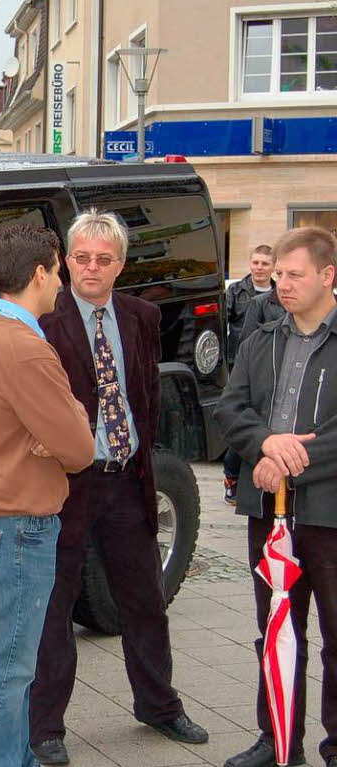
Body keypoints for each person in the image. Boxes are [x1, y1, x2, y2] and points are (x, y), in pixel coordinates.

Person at [29, 210, 209, 765]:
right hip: (67, 485)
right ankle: (46, 728)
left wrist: (142, 457)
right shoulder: (45, 320)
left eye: (103, 260)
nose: (91, 268)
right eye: (81, 257)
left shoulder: (141, 316)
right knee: (55, 609)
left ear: (120, 265)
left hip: (127, 481)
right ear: (66, 260)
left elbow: (145, 396)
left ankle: (159, 705)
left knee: (145, 600)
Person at [0, 224, 94, 767]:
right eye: (59, 270)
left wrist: (56, 432)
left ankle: (14, 758)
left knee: (9, 661)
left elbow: (60, 435)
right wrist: (66, 426)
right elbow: (81, 449)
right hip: (17, 524)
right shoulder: (25, 348)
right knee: (9, 666)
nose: (62, 282)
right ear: (39, 272)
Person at [214, 226, 337, 767]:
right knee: (274, 628)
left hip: (330, 514)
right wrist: (265, 442)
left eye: (295, 275)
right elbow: (230, 407)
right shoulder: (261, 337)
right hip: (269, 513)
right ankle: (277, 739)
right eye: (279, 274)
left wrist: (285, 460)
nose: (282, 285)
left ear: (328, 276)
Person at [223, 245, 277, 504]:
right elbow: (230, 328)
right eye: (255, 262)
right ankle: (232, 474)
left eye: (265, 264)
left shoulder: (281, 295)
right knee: (242, 420)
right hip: (241, 363)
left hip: (274, 368)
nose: (259, 268)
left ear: (272, 266)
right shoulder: (237, 291)